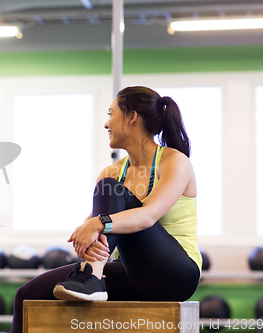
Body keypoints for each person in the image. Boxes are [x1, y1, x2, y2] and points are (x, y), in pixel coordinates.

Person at [11, 86, 201, 333]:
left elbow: (147, 216)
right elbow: (93, 230)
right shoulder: (112, 172)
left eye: (110, 113)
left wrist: (97, 224)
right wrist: (90, 233)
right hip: (133, 273)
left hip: (176, 274)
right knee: (26, 294)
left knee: (111, 189)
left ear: (132, 117)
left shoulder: (175, 161)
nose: (105, 124)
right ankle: (92, 276)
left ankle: (92, 275)